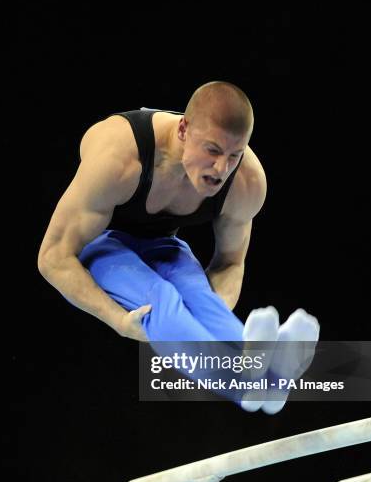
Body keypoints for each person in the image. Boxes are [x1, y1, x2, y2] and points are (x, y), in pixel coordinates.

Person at [37, 81, 319, 412]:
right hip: (105, 246)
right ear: (184, 129)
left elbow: (230, 263)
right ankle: (250, 386)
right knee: (163, 299)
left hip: (166, 246)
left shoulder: (247, 182)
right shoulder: (119, 158)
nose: (221, 169)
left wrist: (211, 314)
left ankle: (268, 380)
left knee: (197, 292)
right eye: (212, 150)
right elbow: (53, 257)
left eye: (234, 155)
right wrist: (116, 319)